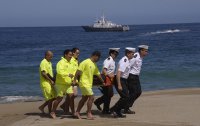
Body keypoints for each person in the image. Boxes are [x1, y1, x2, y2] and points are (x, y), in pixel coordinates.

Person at [73, 51, 105, 120]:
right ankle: (88, 113)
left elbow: (98, 74)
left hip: (88, 84)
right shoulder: (85, 62)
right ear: (95, 56)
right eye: (98, 58)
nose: (98, 60)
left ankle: (77, 112)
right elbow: (78, 72)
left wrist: (103, 82)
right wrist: (74, 80)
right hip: (84, 83)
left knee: (84, 98)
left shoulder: (94, 64)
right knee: (92, 97)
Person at [110, 47, 135, 118]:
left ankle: (116, 110)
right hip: (119, 79)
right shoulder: (124, 61)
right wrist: (119, 84)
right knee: (125, 97)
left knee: (125, 97)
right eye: (132, 54)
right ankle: (114, 110)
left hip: (123, 80)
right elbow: (118, 73)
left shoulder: (127, 60)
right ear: (128, 53)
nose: (133, 55)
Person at [94, 48, 120, 114]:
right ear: (111, 53)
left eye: (117, 54)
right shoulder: (108, 60)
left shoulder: (112, 61)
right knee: (109, 94)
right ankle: (103, 107)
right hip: (105, 79)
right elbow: (104, 70)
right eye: (115, 54)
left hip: (109, 79)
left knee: (108, 94)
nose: (116, 55)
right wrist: (109, 75)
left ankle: (100, 104)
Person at [50, 49, 74, 119]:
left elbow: (73, 72)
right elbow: (59, 72)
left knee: (71, 97)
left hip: (68, 83)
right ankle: (53, 112)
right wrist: (68, 74)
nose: (71, 56)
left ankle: (73, 112)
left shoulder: (71, 62)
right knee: (59, 98)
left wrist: (74, 80)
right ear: (65, 55)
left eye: (71, 55)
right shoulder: (60, 62)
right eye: (70, 55)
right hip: (60, 83)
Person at [125, 45, 149, 114]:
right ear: (141, 51)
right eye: (146, 51)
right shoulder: (135, 57)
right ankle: (126, 108)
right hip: (131, 76)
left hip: (136, 76)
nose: (147, 53)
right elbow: (128, 66)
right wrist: (126, 77)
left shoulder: (140, 57)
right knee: (133, 93)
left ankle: (126, 106)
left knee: (138, 92)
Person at [60, 47, 80, 114]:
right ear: (73, 53)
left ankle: (64, 106)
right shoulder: (71, 60)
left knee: (73, 95)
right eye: (77, 53)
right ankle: (68, 109)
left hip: (75, 79)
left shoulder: (76, 60)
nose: (78, 54)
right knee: (72, 95)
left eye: (79, 53)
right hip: (71, 80)